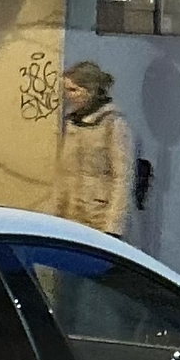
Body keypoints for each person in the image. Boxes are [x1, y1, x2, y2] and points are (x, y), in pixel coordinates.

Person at [57, 60, 139, 241]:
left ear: (91, 91)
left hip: (98, 219)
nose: (69, 96)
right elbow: (65, 173)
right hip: (70, 216)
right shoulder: (72, 123)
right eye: (67, 90)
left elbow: (122, 177)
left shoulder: (113, 124)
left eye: (74, 90)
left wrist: (113, 226)